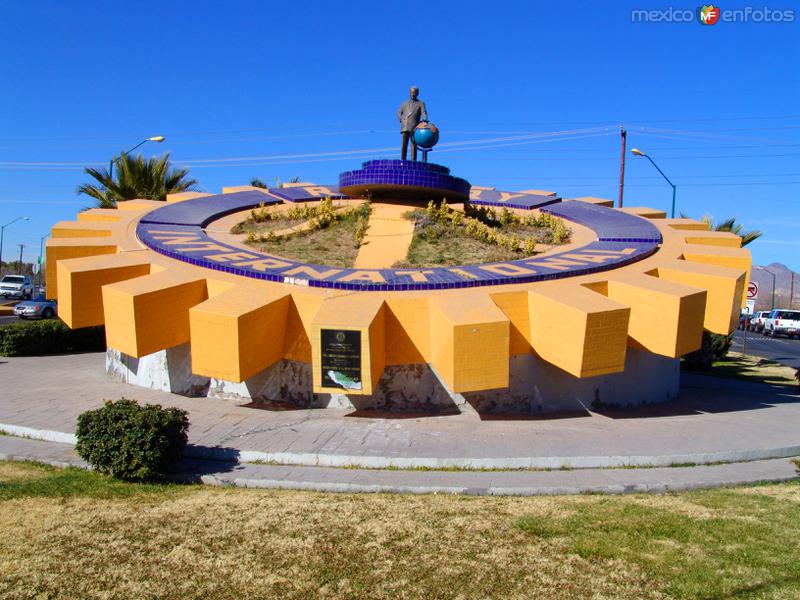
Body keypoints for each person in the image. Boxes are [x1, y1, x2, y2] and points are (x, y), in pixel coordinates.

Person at [397, 86, 428, 161]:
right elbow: (398, 112)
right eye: (411, 93)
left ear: (417, 93)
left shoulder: (420, 103)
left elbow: (424, 112)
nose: (413, 94)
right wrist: (401, 119)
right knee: (403, 144)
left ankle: (413, 160)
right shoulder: (404, 103)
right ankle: (402, 159)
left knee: (413, 144)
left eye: (414, 93)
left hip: (414, 126)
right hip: (405, 126)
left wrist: (425, 119)